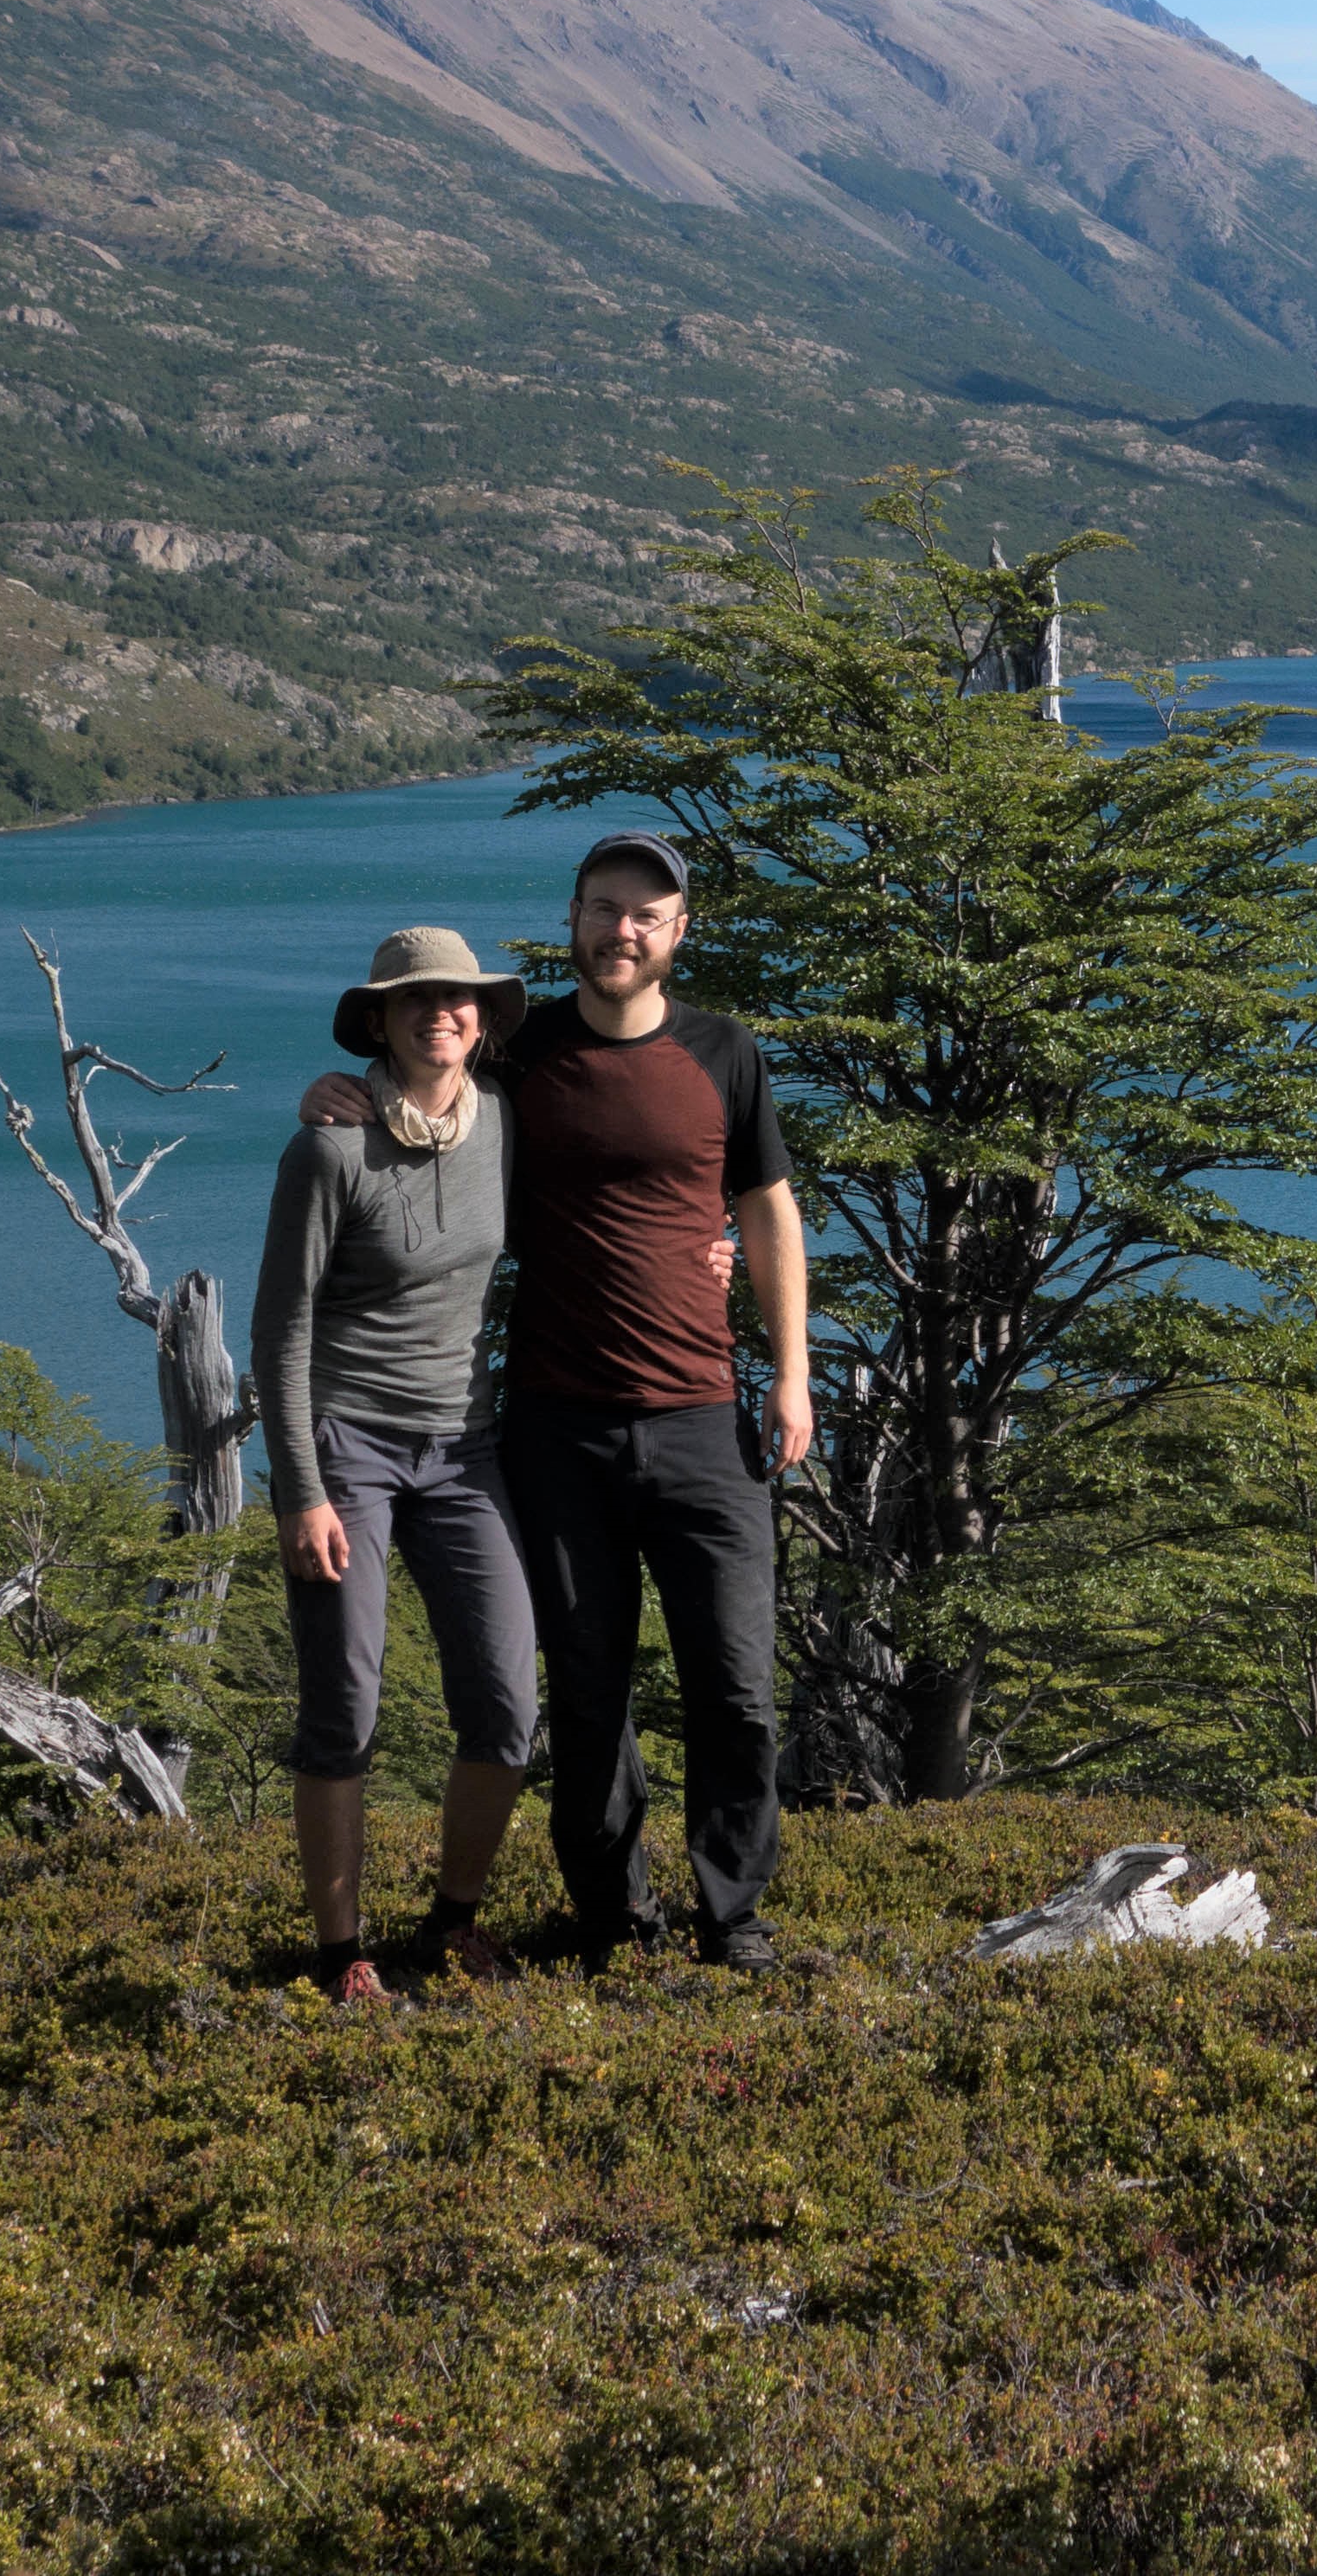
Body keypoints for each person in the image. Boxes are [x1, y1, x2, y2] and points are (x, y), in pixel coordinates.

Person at [313, 830, 811, 1974]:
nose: (620, 931)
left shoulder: (723, 1055)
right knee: (586, 1700)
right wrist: (340, 1089)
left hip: (701, 1420)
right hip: (555, 1427)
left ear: (679, 933)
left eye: (645, 914)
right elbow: (420, 1089)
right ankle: (613, 1922)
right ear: (574, 919)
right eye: (602, 909)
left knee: (736, 1691)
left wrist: (791, 1373)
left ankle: (731, 1921)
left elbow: (769, 1211)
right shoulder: (518, 1056)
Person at [254, 926, 548, 2005]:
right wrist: (301, 1489)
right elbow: (280, 1329)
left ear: (483, 1019)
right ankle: (341, 1957)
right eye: (414, 1001)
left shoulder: (505, 1122)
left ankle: (453, 1924)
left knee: (507, 1701)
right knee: (346, 1706)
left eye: (459, 1000)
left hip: (466, 1451)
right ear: (378, 1020)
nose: (440, 1015)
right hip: (349, 1452)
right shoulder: (328, 1149)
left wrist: (708, 1243)